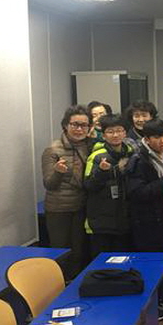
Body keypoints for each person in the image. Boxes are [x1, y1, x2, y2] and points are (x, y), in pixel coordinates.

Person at [125, 119, 163, 319]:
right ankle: (152, 303)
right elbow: (137, 193)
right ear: (147, 139)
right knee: (151, 264)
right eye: (157, 137)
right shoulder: (138, 161)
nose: (162, 141)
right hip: (148, 222)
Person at [41, 105, 92, 280]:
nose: (79, 129)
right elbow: (49, 184)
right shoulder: (53, 150)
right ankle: (59, 286)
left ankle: (75, 284)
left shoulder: (90, 146)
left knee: (79, 251)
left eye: (84, 125)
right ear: (65, 125)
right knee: (61, 251)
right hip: (59, 209)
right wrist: (58, 172)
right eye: (75, 124)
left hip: (82, 206)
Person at [84, 114, 136, 256]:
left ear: (125, 133)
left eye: (119, 131)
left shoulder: (132, 153)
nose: (115, 135)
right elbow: (88, 185)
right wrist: (102, 171)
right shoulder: (96, 156)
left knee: (123, 260)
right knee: (102, 261)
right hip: (102, 221)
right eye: (110, 132)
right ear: (104, 135)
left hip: (124, 219)